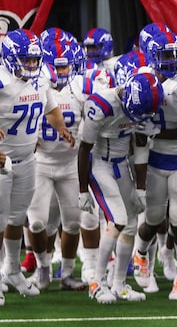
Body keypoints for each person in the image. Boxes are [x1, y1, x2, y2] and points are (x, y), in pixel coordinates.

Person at [0, 30, 74, 305]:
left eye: (34, 60)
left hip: (28, 160)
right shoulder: (1, 81)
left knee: (17, 218)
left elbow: (50, 108)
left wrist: (62, 129)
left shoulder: (41, 79)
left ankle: (12, 269)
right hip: (3, 161)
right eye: (25, 60)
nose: (31, 65)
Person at [78, 69, 164, 304]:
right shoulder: (102, 104)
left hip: (121, 166)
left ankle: (119, 284)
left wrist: (141, 188)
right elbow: (84, 148)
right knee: (117, 220)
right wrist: (83, 189)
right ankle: (96, 282)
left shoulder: (145, 105)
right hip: (99, 164)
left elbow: (141, 146)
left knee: (131, 225)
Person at [133, 29, 177, 300]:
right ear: (151, 55)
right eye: (165, 55)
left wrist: (155, 131)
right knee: (151, 219)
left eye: (175, 53)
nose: (173, 59)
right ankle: (142, 257)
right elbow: (137, 127)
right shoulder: (142, 77)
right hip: (153, 158)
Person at [26, 36, 88, 292]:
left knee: (73, 223)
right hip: (41, 163)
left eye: (66, 66)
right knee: (38, 222)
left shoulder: (82, 86)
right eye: (58, 66)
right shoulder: (34, 86)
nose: (63, 71)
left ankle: (67, 273)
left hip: (71, 164)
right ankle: (42, 267)